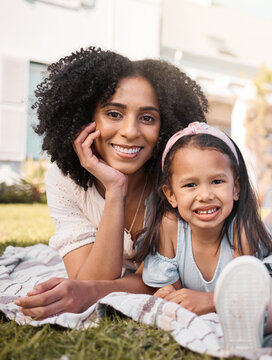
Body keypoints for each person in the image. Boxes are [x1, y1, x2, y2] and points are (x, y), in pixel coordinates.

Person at [14, 47, 208, 319]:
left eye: (147, 118)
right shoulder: (64, 181)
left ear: (165, 127)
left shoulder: (177, 179)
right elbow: (86, 281)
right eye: (114, 114)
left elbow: (163, 282)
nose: (130, 132)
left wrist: (92, 291)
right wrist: (116, 190)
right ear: (86, 118)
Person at [133, 122, 272, 315]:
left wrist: (209, 300)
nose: (205, 195)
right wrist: (169, 294)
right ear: (171, 195)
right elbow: (175, 295)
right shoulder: (169, 227)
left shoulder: (242, 229)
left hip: (261, 269)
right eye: (191, 185)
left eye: (217, 181)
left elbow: (242, 293)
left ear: (236, 188)